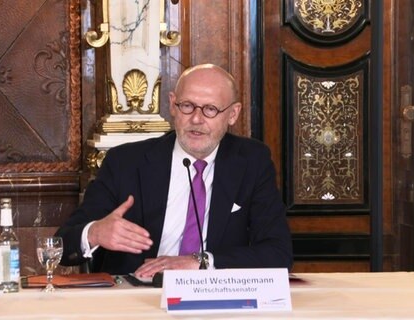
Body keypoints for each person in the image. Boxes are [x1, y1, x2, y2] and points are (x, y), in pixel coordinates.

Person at [55, 64, 292, 277]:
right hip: (137, 296)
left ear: (233, 114)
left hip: (215, 295)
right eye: (187, 106)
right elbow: (62, 246)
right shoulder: (125, 162)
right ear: (172, 105)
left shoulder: (252, 161)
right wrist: (94, 233)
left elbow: (278, 253)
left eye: (210, 109)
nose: (196, 119)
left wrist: (200, 262)